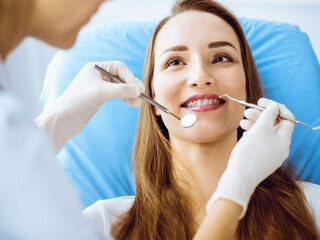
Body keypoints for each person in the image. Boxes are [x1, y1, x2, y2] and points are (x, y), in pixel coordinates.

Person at [0, 1, 316, 240]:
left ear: (248, 87)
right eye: (175, 61)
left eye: (221, 58)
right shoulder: (106, 224)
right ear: (151, 102)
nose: (201, 76)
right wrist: (55, 121)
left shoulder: (312, 207)